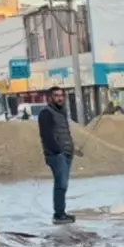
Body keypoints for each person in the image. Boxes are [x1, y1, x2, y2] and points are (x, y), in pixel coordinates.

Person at [37, 86, 79, 224]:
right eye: (56, 95)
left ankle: (61, 213)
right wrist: (58, 151)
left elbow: (64, 133)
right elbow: (46, 135)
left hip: (66, 153)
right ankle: (59, 215)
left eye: (62, 95)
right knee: (61, 184)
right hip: (56, 155)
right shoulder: (46, 113)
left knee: (63, 184)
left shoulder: (62, 112)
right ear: (50, 98)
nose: (60, 98)